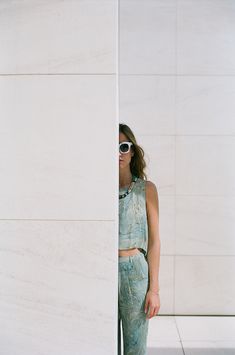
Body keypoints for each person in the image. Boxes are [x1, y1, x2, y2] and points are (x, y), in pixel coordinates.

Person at [118, 123, 161, 355]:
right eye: (112, 147)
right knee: (103, 343)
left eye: (123, 147)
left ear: (132, 150)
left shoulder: (146, 189)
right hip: (103, 270)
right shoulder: (97, 191)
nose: (118, 153)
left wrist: (153, 290)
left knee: (135, 347)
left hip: (135, 272)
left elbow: (154, 242)